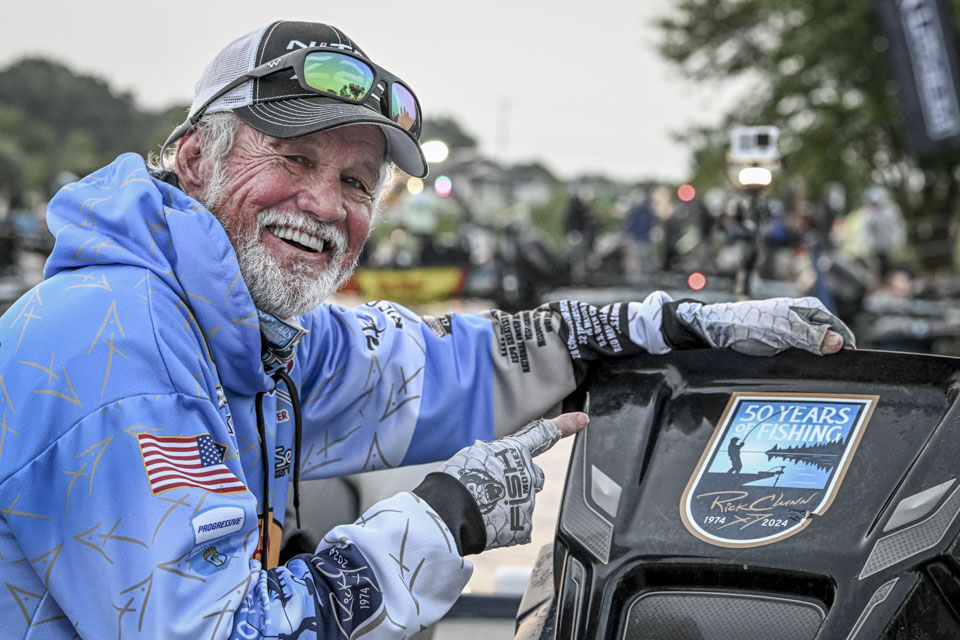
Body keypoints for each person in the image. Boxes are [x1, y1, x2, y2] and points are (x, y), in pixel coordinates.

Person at [0, 20, 854, 639]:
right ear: (196, 160)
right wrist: (449, 516)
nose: (324, 204)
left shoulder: (239, 329)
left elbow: (437, 366)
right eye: (294, 159)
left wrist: (663, 321)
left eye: (357, 182)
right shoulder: (112, 347)